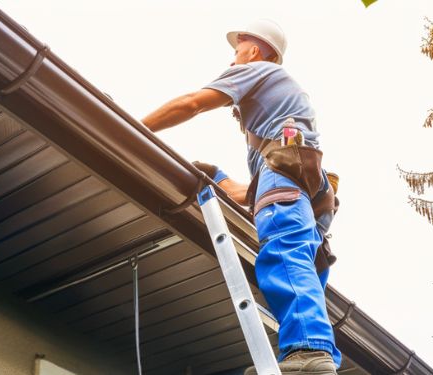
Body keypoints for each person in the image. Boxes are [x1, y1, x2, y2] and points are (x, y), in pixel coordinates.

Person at [141, 19, 340, 375]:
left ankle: (309, 353)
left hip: (289, 176)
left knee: (283, 251)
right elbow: (254, 192)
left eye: (237, 51)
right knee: (303, 267)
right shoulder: (278, 118)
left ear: (256, 49)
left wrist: (135, 128)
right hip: (311, 193)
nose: (233, 62)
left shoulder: (259, 70)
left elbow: (191, 103)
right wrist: (214, 177)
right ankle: (311, 355)